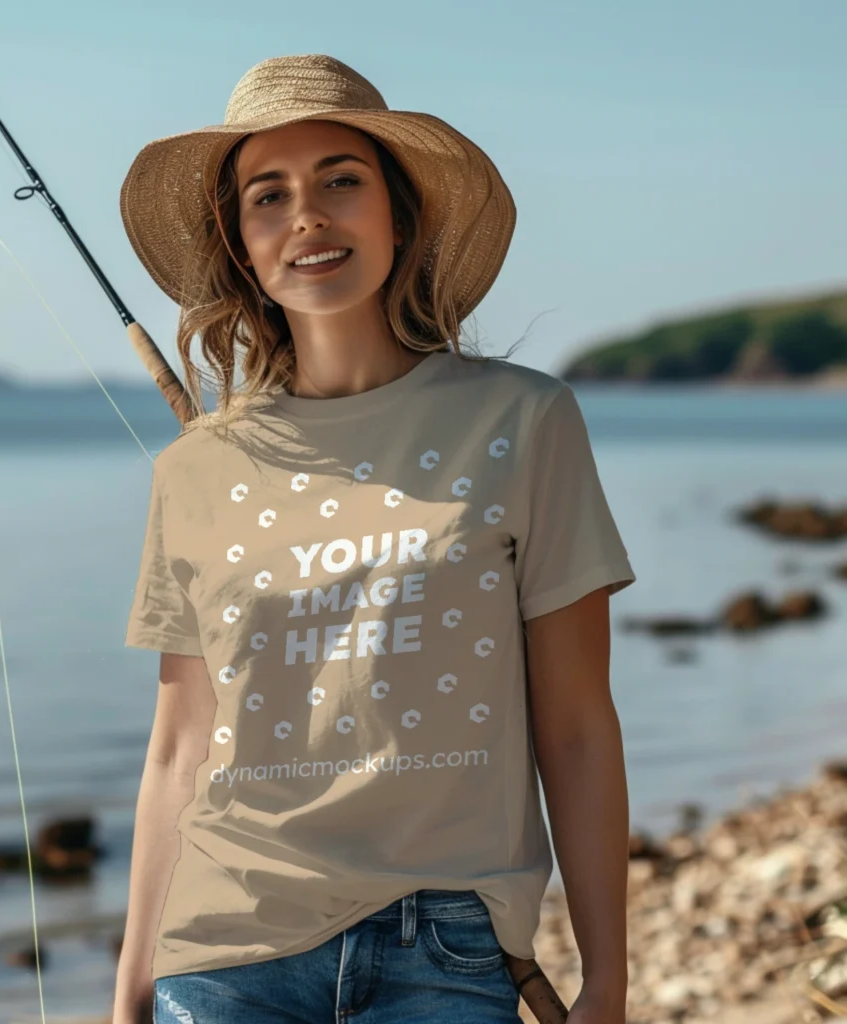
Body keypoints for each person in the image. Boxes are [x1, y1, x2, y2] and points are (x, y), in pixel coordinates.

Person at [112, 54, 635, 1024]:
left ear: (400, 213)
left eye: (339, 181)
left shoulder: (522, 422)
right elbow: (179, 750)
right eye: (268, 196)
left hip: (445, 943)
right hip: (225, 945)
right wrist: (129, 991)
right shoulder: (193, 469)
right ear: (242, 245)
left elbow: (575, 723)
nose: (306, 216)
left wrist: (606, 977)